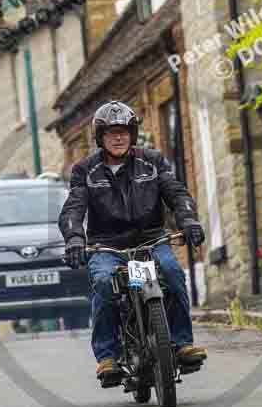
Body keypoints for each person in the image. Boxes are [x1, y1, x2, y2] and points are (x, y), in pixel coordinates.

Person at [58, 100, 207, 386]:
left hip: (151, 241)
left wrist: (188, 221)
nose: (118, 137)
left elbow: (176, 194)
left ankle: (182, 343)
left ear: (133, 134)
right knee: (103, 283)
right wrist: (75, 238)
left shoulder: (152, 161)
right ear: (100, 137)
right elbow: (73, 209)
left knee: (173, 273)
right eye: (111, 132)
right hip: (107, 247)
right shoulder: (85, 170)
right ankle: (107, 357)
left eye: (124, 132)